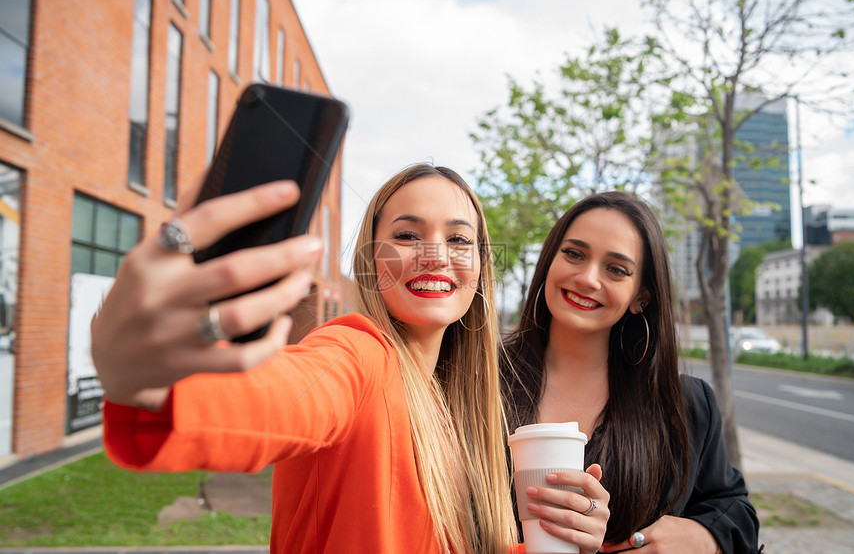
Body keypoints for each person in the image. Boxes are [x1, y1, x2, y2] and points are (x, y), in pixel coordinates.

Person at [91, 164, 609, 554]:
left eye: (458, 239)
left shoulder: (455, 407)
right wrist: (153, 380)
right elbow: (277, 397)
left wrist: (570, 540)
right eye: (407, 236)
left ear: (480, 269)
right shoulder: (357, 355)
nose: (434, 255)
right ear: (370, 262)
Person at [500, 191, 761, 553]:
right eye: (574, 254)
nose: (588, 278)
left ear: (642, 297)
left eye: (616, 270)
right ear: (549, 261)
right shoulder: (476, 379)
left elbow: (734, 509)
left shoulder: (684, 404)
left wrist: (705, 538)